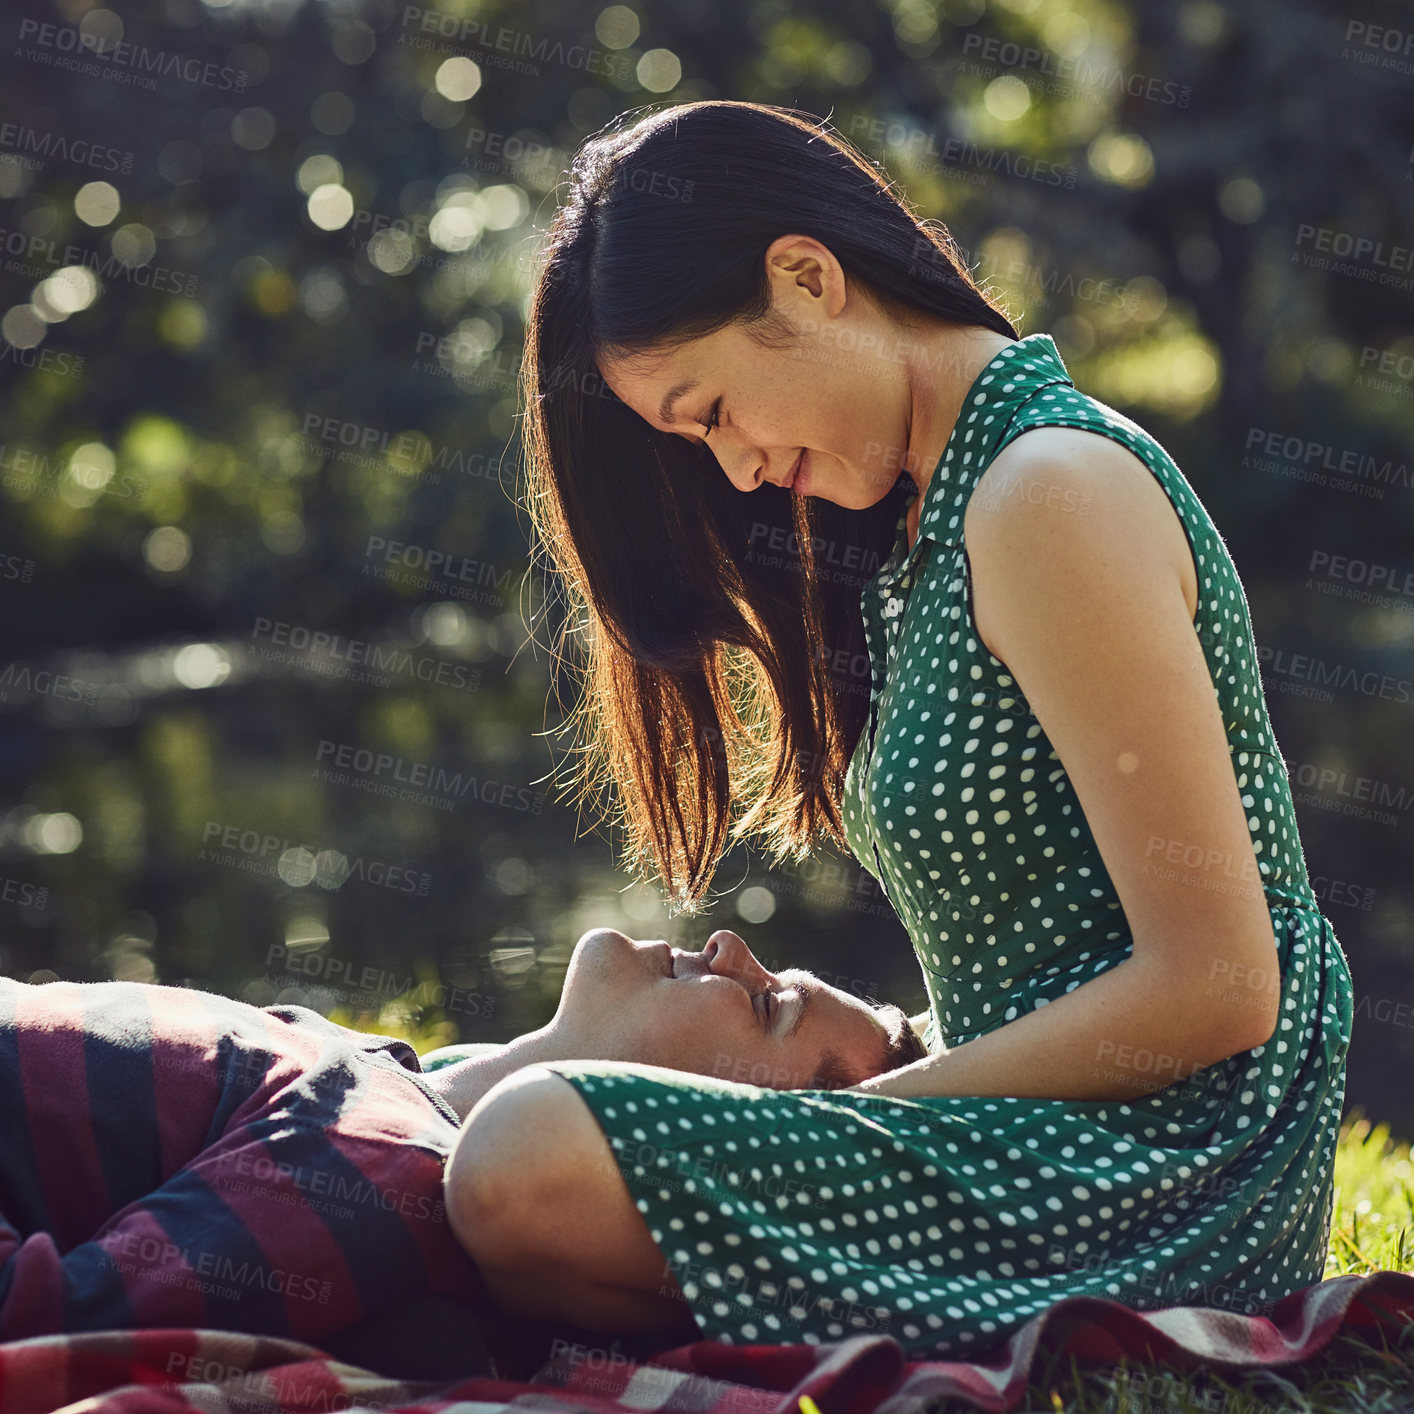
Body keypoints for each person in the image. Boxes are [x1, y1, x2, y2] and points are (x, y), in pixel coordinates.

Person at [457, 99, 1356, 1355]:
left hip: (1163, 1175)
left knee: (529, 1152)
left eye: (713, 410)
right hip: (1047, 1137)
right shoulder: (933, 528)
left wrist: (878, 1108)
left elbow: (1218, 986)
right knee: (508, 1118)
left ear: (808, 277)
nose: (735, 468)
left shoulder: (1049, 491)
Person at [0, 934, 922, 1348]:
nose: (729, 945)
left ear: (700, 1125)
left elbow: (55, 1329)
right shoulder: (408, 1079)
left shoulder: (387, 1165)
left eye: (768, 1004)